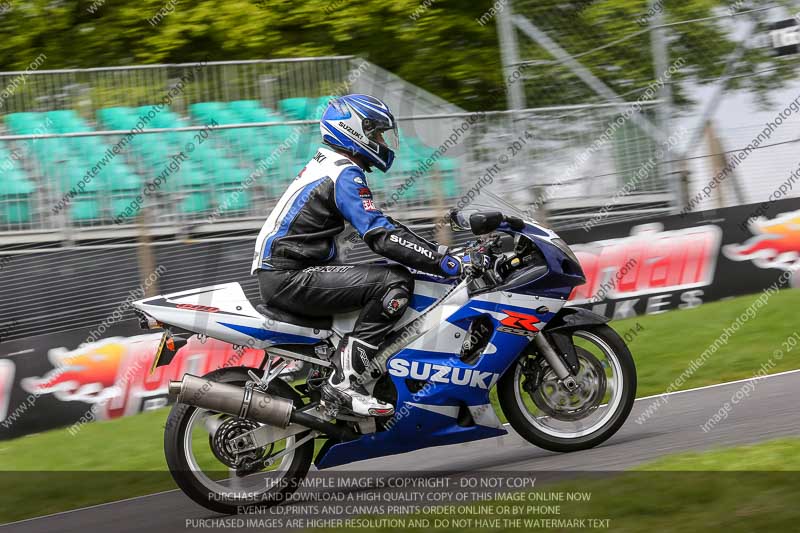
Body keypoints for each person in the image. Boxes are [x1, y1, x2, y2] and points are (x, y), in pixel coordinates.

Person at [251, 94, 462, 417]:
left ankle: (335, 370)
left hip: (285, 273)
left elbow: (384, 226)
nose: (381, 141)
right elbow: (379, 235)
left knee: (382, 272)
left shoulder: (331, 165)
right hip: (290, 275)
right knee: (393, 281)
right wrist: (441, 262)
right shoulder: (344, 172)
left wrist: (435, 252)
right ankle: (344, 383)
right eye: (376, 133)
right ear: (354, 131)